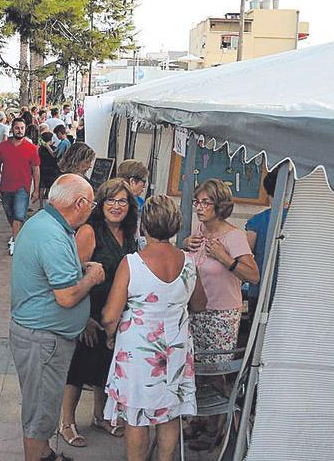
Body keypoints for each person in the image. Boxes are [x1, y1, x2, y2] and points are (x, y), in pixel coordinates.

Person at [10, 174, 105, 461]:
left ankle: (44, 453)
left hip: (42, 335)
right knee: (40, 410)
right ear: (79, 203)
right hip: (43, 339)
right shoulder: (51, 234)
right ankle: (37, 456)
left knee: (43, 405)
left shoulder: (46, 223)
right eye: (92, 203)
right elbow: (65, 296)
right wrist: (92, 277)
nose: (93, 208)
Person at [102, 195, 198, 461]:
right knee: (170, 409)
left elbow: (111, 314)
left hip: (139, 349)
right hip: (176, 346)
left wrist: (110, 336)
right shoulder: (189, 261)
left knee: (137, 414)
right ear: (175, 225)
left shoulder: (132, 263)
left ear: (144, 225)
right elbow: (200, 303)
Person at [59, 179, 139, 448]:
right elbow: (74, 277)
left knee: (105, 365)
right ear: (100, 204)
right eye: (111, 200)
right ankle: (66, 422)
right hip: (89, 312)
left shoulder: (129, 234)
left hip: (114, 314)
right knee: (78, 370)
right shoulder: (89, 232)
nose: (116, 206)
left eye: (122, 201)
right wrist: (83, 319)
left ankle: (100, 415)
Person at [183, 178, 260, 450]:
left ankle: (217, 428)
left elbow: (253, 274)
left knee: (215, 372)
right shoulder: (199, 230)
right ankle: (198, 421)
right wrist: (185, 245)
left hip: (221, 315)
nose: (200, 208)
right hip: (196, 311)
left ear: (220, 205)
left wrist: (226, 258)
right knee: (195, 370)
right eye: (197, 202)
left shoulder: (234, 236)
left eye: (206, 202)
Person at [0, 117, 40, 256]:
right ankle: (17, 234)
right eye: (17, 128)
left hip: (22, 187)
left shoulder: (31, 148)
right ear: (12, 129)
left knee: (19, 215)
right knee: (10, 214)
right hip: (5, 186)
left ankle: (17, 243)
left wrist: (36, 190)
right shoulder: (3, 146)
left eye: (22, 128)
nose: (19, 131)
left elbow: (36, 169)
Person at [245, 165, 288, 311]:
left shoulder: (256, 221)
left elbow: (245, 255)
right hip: (288, 292)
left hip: (259, 290)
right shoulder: (300, 222)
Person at [37, 129, 59, 210]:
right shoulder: (53, 148)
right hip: (52, 169)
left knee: (42, 187)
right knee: (50, 187)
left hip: (42, 168)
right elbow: (55, 156)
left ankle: (40, 205)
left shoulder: (40, 149)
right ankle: (50, 204)